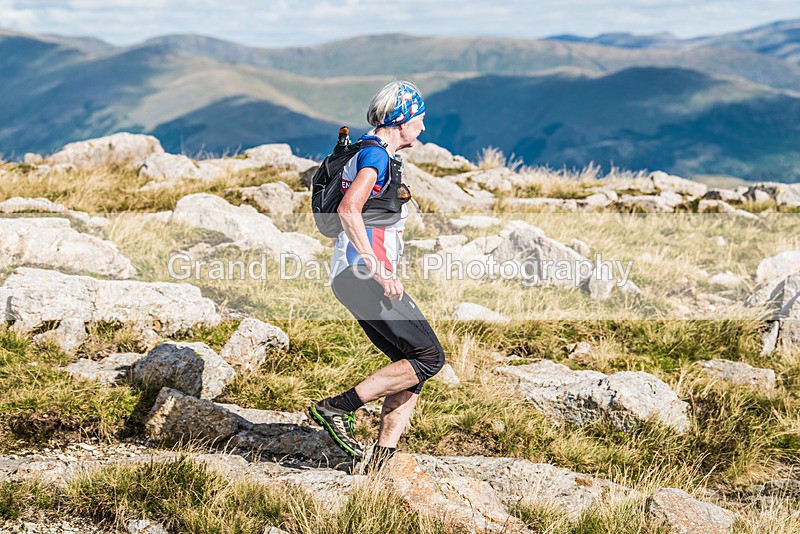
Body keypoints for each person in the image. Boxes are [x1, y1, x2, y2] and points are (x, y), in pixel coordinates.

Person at [308, 81, 446, 471]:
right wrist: (377, 266)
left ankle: (380, 464)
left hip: (351, 276)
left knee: (411, 367)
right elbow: (348, 209)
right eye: (419, 119)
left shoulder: (366, 152)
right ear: (402, 121)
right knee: (429, 357)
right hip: (363, 274)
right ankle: (337, 408)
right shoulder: (375, 156)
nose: (423, 127)